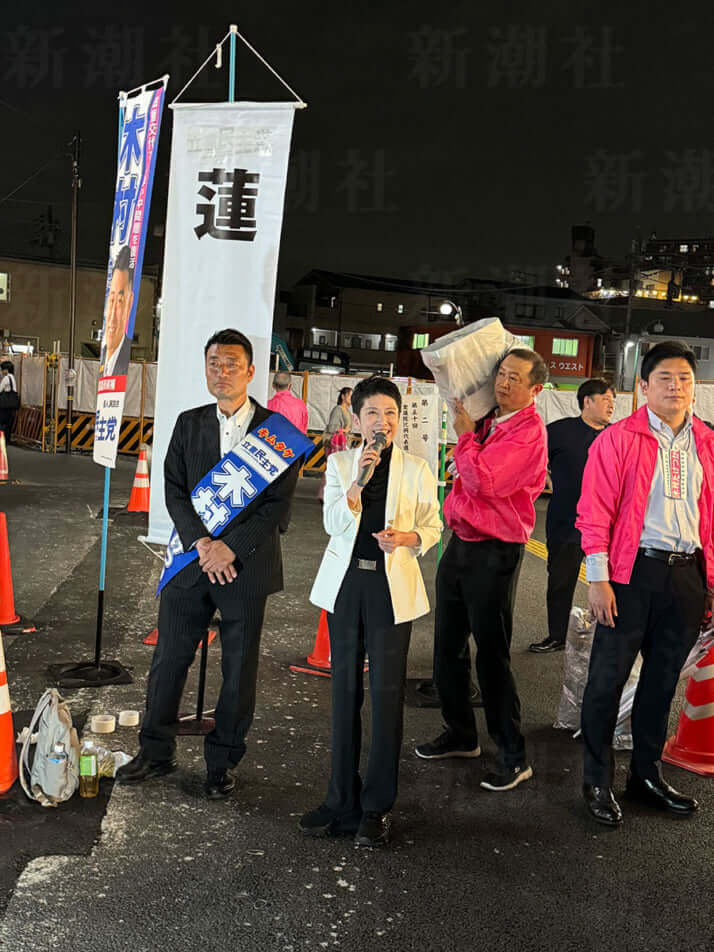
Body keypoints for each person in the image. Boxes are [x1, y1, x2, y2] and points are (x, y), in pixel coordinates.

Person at [117, 329, 301, 799]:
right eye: (214, 363)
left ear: (251, 371)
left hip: (247, 566)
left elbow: (277, 505)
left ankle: (222, 763)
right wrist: (203, 543)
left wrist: (230, 548)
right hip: (191, 561)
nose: (222, 372)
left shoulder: (276, 434)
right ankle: (155, 751)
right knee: (169, 658)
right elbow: (174, 489)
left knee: (239, 669)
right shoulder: (188, 423)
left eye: (232, 364)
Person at [577, 340, 714, 826]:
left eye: (684, 378)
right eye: (664, 378)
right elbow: (594, 512)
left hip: (687, 575)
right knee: (606, 681)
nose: (675, 387)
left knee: (661, 683)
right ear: (643, 386)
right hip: (630, 574)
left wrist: (709, 582)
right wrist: (599, 580)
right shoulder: (618, 439)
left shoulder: (706, 441)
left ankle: (645, 775)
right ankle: (597, 780)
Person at [300, 376, 441, 846]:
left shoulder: (418, 468)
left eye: (391, 413)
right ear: (356, 420)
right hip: (346, 587)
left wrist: (408, 538)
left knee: (386, 695)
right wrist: (358, 482)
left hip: (391, 588)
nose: (383, 422)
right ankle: (340, 798)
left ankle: (377, 806)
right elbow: (333, 524)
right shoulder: (341, 464)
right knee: (344, 693)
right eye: (374, 414)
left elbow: (433, 525)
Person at [415, 349, 548, 791]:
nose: (504, 383)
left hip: (496, 550)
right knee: (447, 645)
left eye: (515, 378)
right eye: (502, 374)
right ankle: (460, 733)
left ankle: (513, 754)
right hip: (462, 542)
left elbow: (484, 481)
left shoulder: (528, 433)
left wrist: (465, 438)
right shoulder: (490, 419)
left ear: (536, 389)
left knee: (491, 653)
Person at [529, 379, 616, 654]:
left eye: (612, 400)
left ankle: (610, 638)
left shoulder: (618, 436)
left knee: (611, 584)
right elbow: (532, 457)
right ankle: (557, 636)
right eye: (605, 399)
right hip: (565, 521)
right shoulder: (559, 431)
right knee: (560, 581)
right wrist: (544, 476)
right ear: (587, 401)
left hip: (608, 527)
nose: (611, 405)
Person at [99, 245, 133, 377]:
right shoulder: (103, 353)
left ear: (130, 302)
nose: (112, 316)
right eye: (111, 300)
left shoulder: (127, 361)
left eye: (119, 301)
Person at [319, 387, 353, 501]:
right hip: (336, 443)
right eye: (350, 396)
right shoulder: (338, 410)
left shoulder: (346, 411)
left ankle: (327, 494)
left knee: (335, 469)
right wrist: (345, 430)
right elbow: (332, 428)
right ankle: (326, 494)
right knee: (334, 469)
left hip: (343, 443)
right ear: (343, 396)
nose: (352, 398)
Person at [0, 360, 19, 446]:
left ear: (6, 369)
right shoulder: (12, 377)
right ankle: (6, 440)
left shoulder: (6, 378)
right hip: (11, 404)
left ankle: (2, 440)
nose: (2, 371)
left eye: (2, 369)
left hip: (4, 404)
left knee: (2, 423)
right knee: (8, 423)